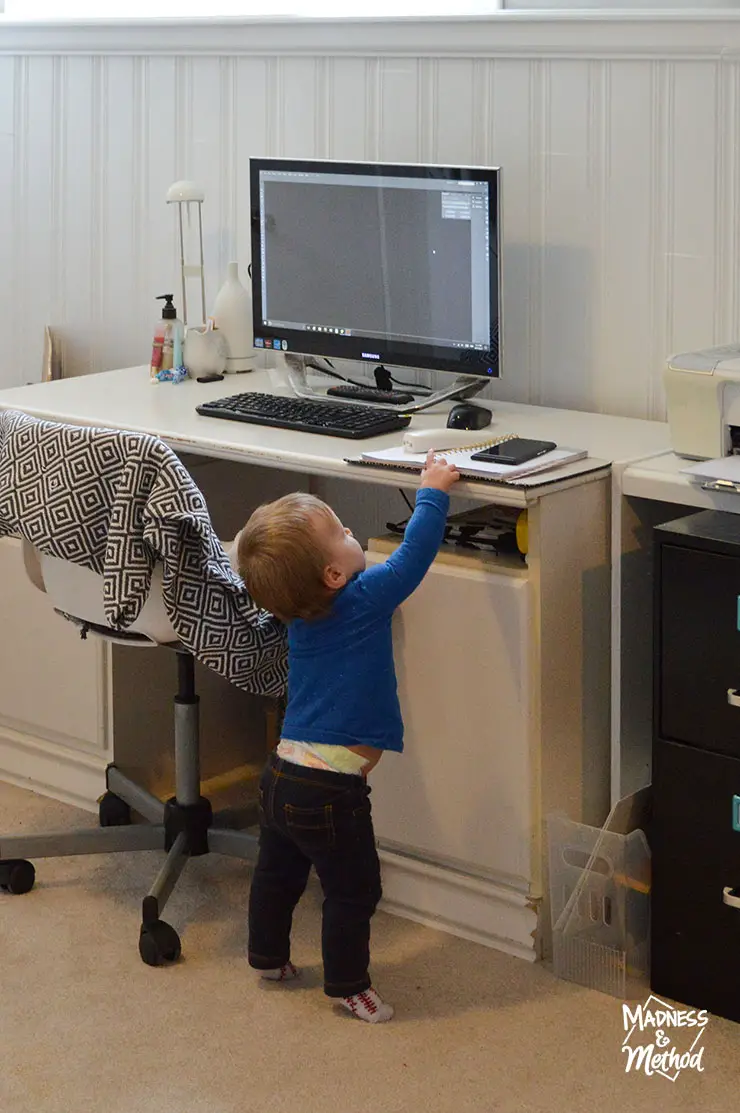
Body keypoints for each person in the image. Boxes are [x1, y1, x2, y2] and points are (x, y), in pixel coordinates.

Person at [237, 450, 459, 1023]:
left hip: (281, 774)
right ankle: (348, 986)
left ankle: (266, 955)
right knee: (354, 892)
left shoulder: (297, 613)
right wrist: (432, 490)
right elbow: (412, 559)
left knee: (278, 873)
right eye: (341, 531)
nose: (352, 530)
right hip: (329, 791)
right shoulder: (361, 598)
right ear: (334, 575)